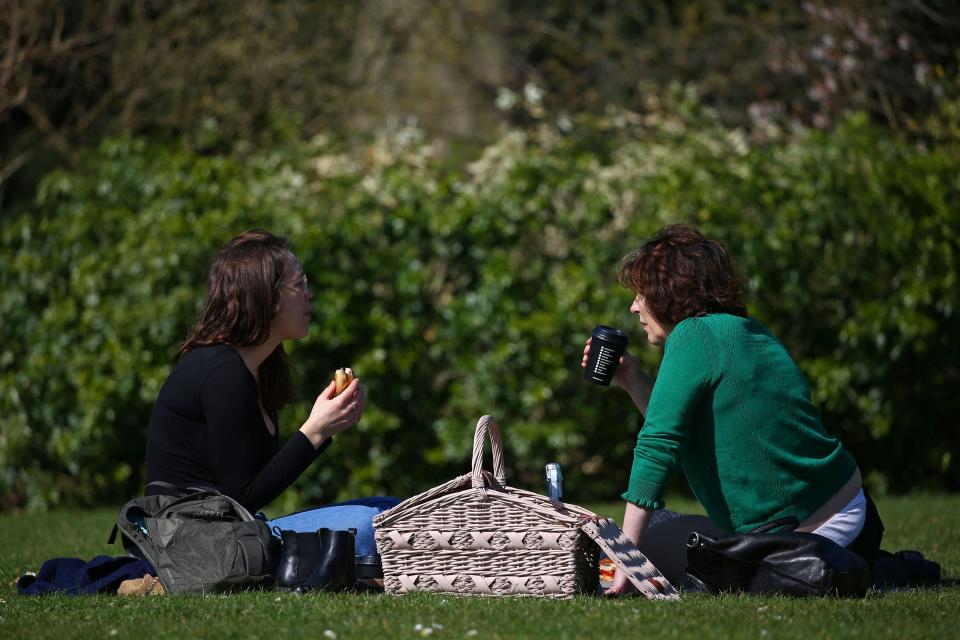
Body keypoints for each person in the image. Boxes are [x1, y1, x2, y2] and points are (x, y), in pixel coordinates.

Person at [582, 224, 884, 595]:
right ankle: (876, 567)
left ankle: (875, 571)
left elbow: (657, 445)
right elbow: (686, 429)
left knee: (630, 545)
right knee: (665, 525)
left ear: (668, 293)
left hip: (797, 542)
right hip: (856, 516)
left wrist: (627, 559)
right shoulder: (743, 330)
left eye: (641, 294)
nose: (634, 307)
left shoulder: (692, 335)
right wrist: (631, 379)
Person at [144, 229, 397, 558]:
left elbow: (251, 488)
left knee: (391, 509)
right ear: (268, 298)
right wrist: (316, 431)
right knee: (371, 523)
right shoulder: (222, 373)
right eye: (299, 284)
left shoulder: (258, 369)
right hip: (190, 542)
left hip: (232, 529)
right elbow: (243, 497)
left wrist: (322, 429)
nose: (309, 294)